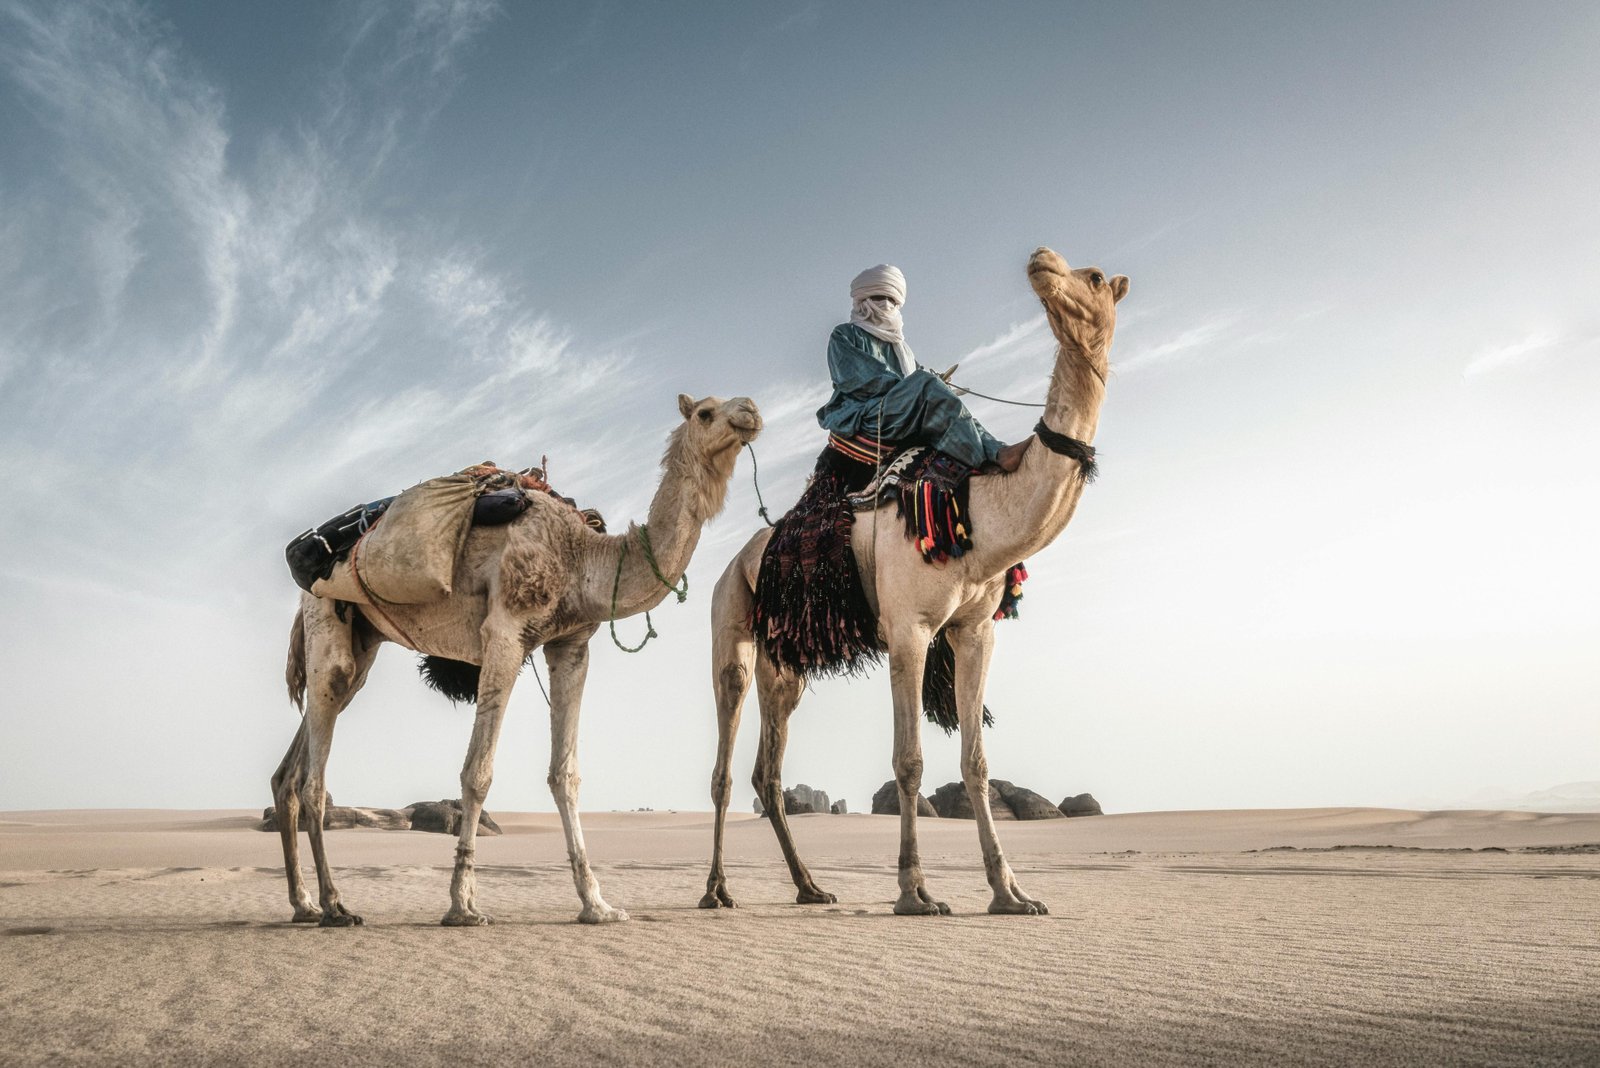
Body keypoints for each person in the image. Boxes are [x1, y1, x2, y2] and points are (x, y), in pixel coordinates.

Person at [815, 264, 1030, 473]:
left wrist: (935, 384)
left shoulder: (902, 349)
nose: (887, 305)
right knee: (927, 386)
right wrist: (918, 387)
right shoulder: (844, 335)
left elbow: (916, 378)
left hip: (903, 409)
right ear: (864, 301)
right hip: (868, 415)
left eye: (892, 300)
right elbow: (864, 381)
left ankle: (999, 452)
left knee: (953, 406)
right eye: (880, 299)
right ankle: (982, 465)